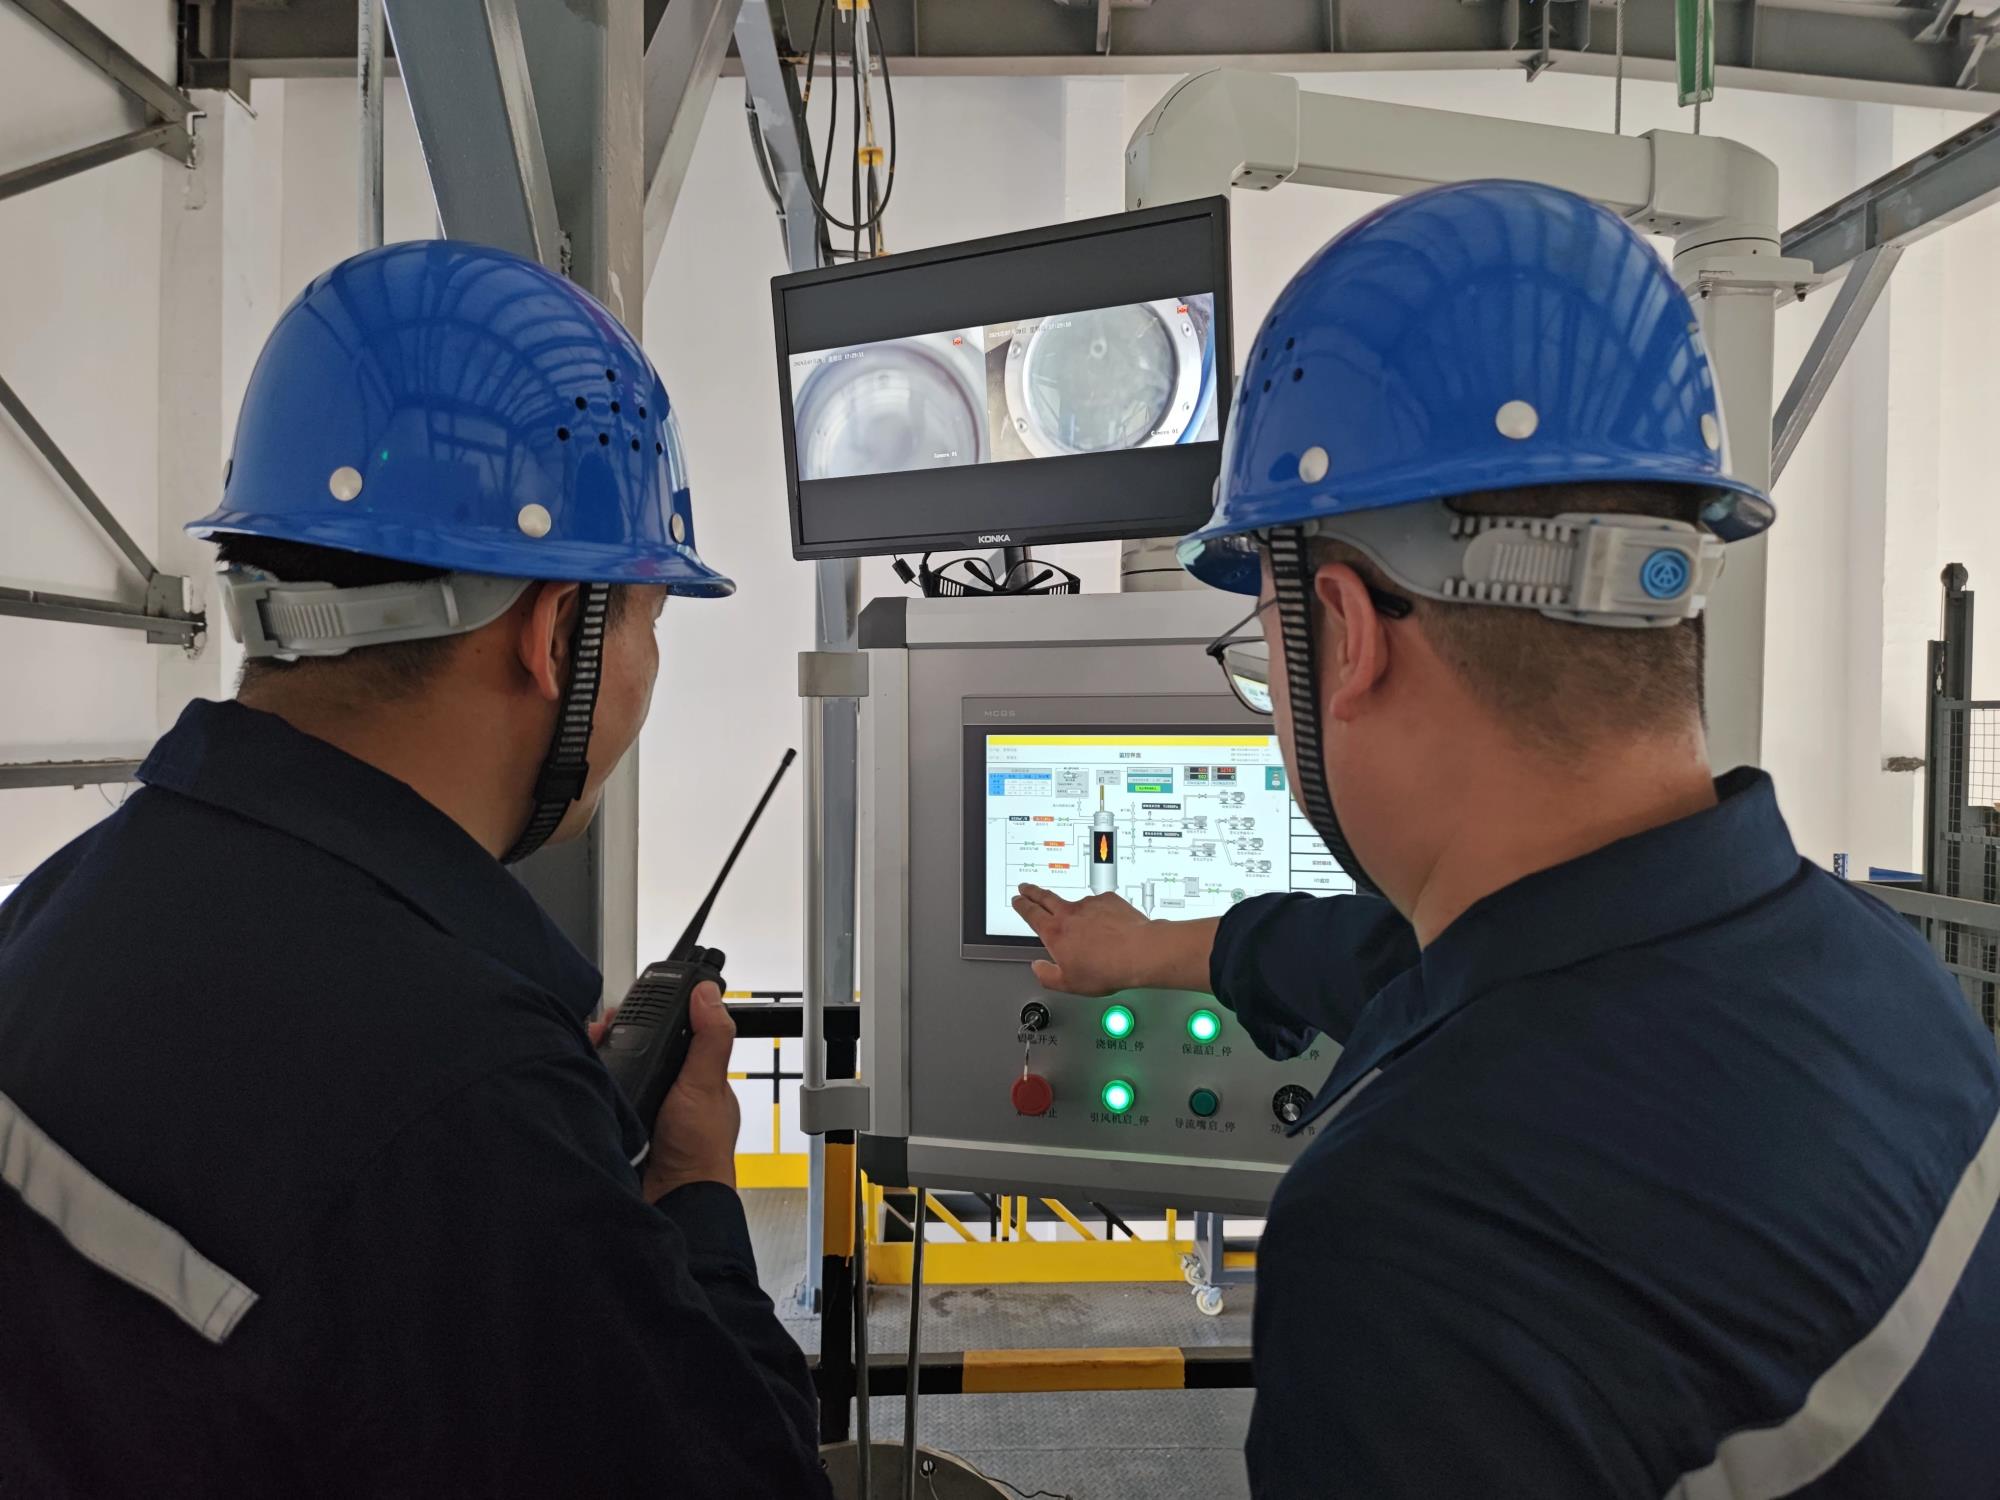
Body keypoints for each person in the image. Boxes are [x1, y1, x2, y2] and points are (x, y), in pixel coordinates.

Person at [1013, 182, 2000, 1498]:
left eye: (1264, 642)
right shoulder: (1875, 973)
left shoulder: (1408, 1240)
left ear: (1344, 635)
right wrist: (1153, 951)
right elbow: (1405, 963)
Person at [0, 242, 829, 1497]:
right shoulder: (473, 1110)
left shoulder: (61, 907)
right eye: (648, 619)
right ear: (559, 634)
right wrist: (694, 1194)